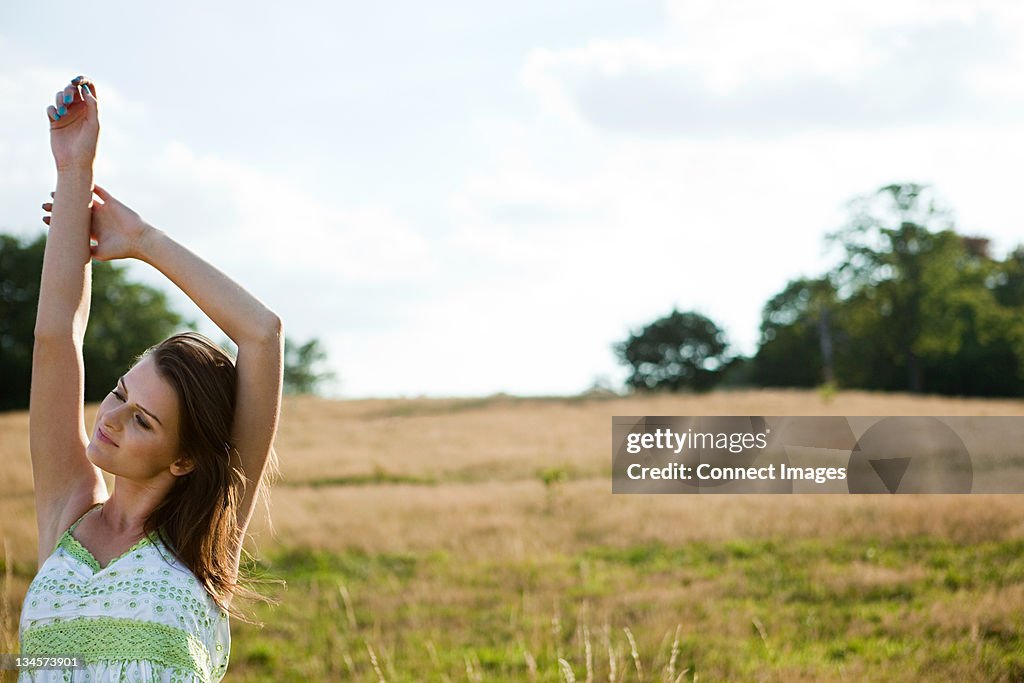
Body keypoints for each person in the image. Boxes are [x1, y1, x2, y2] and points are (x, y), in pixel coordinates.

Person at [18, 76, 283, 682]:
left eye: (142, 420)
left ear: (184, 458)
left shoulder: (204, 543)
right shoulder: (68, 513)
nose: (109, 417)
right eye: (118, 393)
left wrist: (141, 240)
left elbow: (261, 335)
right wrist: (74, 166)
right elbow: (57, 337)